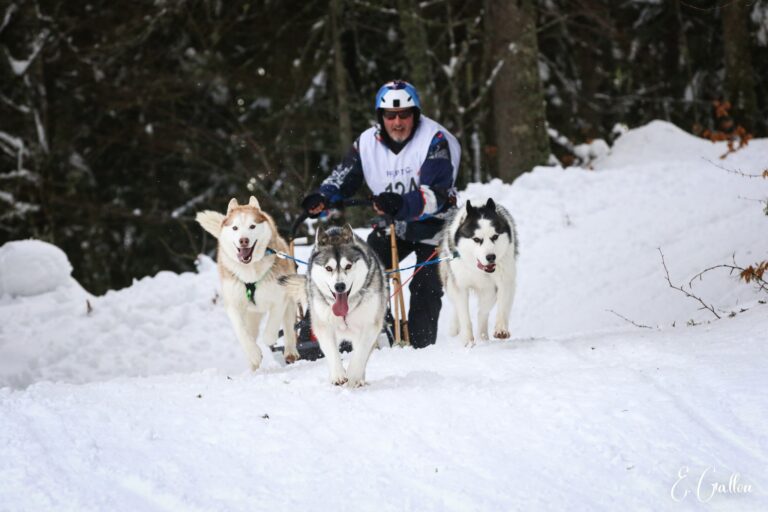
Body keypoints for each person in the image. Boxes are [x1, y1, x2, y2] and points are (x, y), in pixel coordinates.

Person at [301, 80, 461, 348]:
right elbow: (343, 177)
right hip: (393, 226)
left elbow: (436, 195)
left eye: (404, 115)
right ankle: (333, 332)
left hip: (436, 227)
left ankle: (421, 349)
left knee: (425, 286)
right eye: (390, 116)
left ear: (415, 114)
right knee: (358, 267)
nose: (397, 122)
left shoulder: (435, 140)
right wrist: (323, 197)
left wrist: (401, 203)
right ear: (381, 117)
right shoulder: (367, 143)